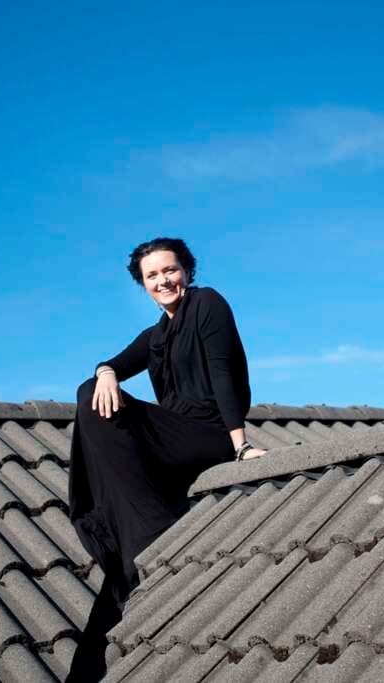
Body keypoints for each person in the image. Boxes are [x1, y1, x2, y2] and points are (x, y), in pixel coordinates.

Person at [66, 238, 266, 681]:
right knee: (90, 391)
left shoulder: (207, 304)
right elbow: (112, 362)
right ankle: (131, 551)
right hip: (175, 439)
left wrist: (240, 444)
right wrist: (106, 372)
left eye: (170, 270)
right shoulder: (154, 336)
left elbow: (223, 372)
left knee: (93, 398)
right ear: (143, 285)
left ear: (188, 271)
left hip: (209, 435)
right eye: (152, 276)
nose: (163, 281)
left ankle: (146, 536)